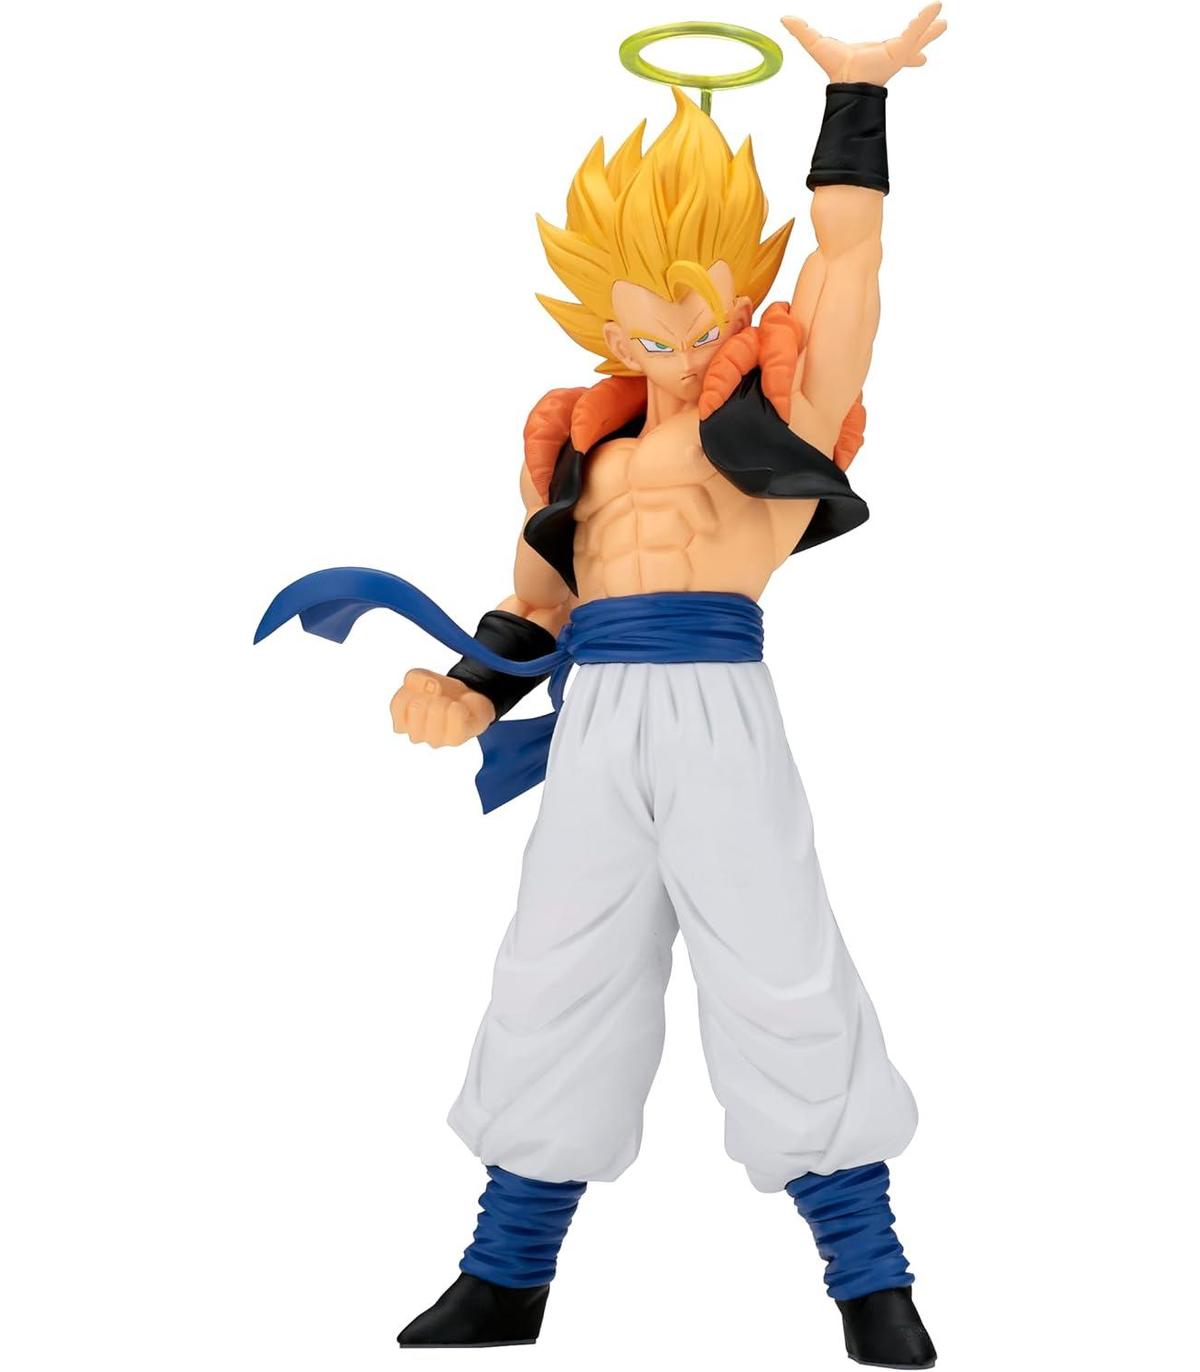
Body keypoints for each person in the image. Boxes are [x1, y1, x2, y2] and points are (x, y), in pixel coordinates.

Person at [256, 8, 947, 1366]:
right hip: (597, 725)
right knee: (554, 974)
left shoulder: (777, 417)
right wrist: (467, 693)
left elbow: (850, 260)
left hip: (718, 709)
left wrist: (857, 101)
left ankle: (871, 1278)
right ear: (602, 302)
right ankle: (505, 1276)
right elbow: (536, 604)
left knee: (781, 974)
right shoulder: (581, 449)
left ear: (735, 290)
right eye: (643, 300)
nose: (675, 326)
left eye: (698, 296)